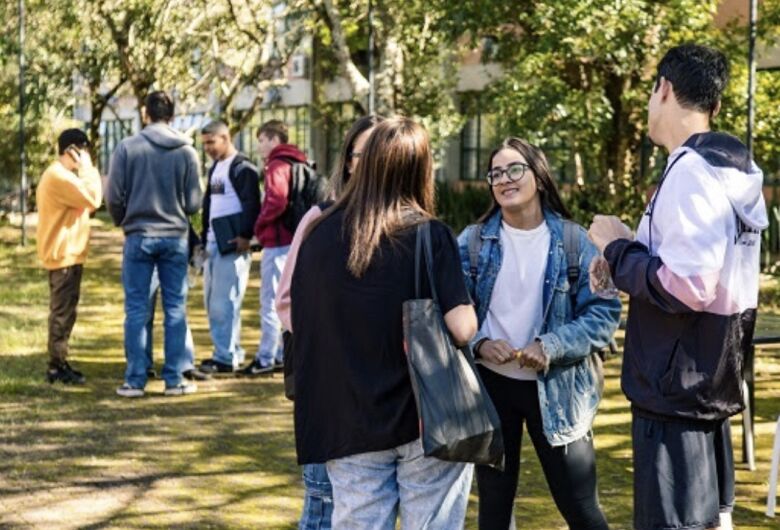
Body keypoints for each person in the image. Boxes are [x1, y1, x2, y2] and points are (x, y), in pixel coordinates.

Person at [588, 44, 768, 530]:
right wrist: (633, 245)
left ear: (663, 89)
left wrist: (615, 249)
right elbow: (698, 271)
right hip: (707, 382)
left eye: (651, 91)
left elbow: (688, 285)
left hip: (674, 391)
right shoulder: (730, 170)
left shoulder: (692, 172)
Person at [291, 117, 477, 529]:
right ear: (419, 168)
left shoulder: (319, 234)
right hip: (425, 414)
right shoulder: (430, 235)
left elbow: (301, 320)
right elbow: (463, 328)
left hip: (346, 414)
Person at [458, 138, 621, 530]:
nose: (504, 179)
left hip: (560, 391)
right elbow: (451, 310)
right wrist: (479, 342)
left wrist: (550, 346)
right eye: (495, 173)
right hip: (492, 389)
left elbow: (604, 315)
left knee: (581, 509)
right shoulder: (472, 241)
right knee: (494, 511)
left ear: (539, 177)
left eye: (514, 169)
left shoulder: (576, 242)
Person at [276, 115, 383, 530]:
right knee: (323, 502)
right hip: (329, 384)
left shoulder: (412, 225)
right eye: (362, 152)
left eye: (382, 151)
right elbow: (286, 302)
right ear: (349, 161)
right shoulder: (319, 219)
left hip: (389, 395)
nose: (372, 162)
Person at [106, 90, 203, 397]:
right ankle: (174, 379)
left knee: (136, 309)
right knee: (175, 309)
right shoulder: (187, 151)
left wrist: (124, 219)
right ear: (172, 116)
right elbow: (194, 203)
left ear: (145, 114)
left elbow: (112, 195)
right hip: (174, 236)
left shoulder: (127, 148)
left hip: (138, 235)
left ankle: (135, 379)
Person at [240, 120, 307, 376]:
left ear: (274, 140)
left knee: (271, 301)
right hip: (293, 240)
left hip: (277, 242)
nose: (259, 147)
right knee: (287, 299)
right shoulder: (297, 162)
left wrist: (259, 224)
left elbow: (276, 200)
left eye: (262, 140)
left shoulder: (277, 165)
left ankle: (267, 356)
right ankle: (281, 351)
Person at [36, 128, 102, 384]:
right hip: (63, 255)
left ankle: (60, 361)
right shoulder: (59, 177)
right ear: (72, 151)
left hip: (68, 254)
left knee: (66, 311)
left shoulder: (63, 177)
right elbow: (95, 198)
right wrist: (86, 168)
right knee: (62, 312)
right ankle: (56, 366)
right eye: (83, 151)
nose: (86, 156)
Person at [195, 120, 260, 375]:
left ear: (225, 137)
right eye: (204, 144)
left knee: (225, 303)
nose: (208, 148)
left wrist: (245, 236)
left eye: (211, 142)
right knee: (214, 303)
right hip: (213, 243)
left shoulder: (243, 168)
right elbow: (210, 205)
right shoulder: (215, 168)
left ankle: (225, 357)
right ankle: (227, 351)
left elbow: (253, 205)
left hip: (233, 246)